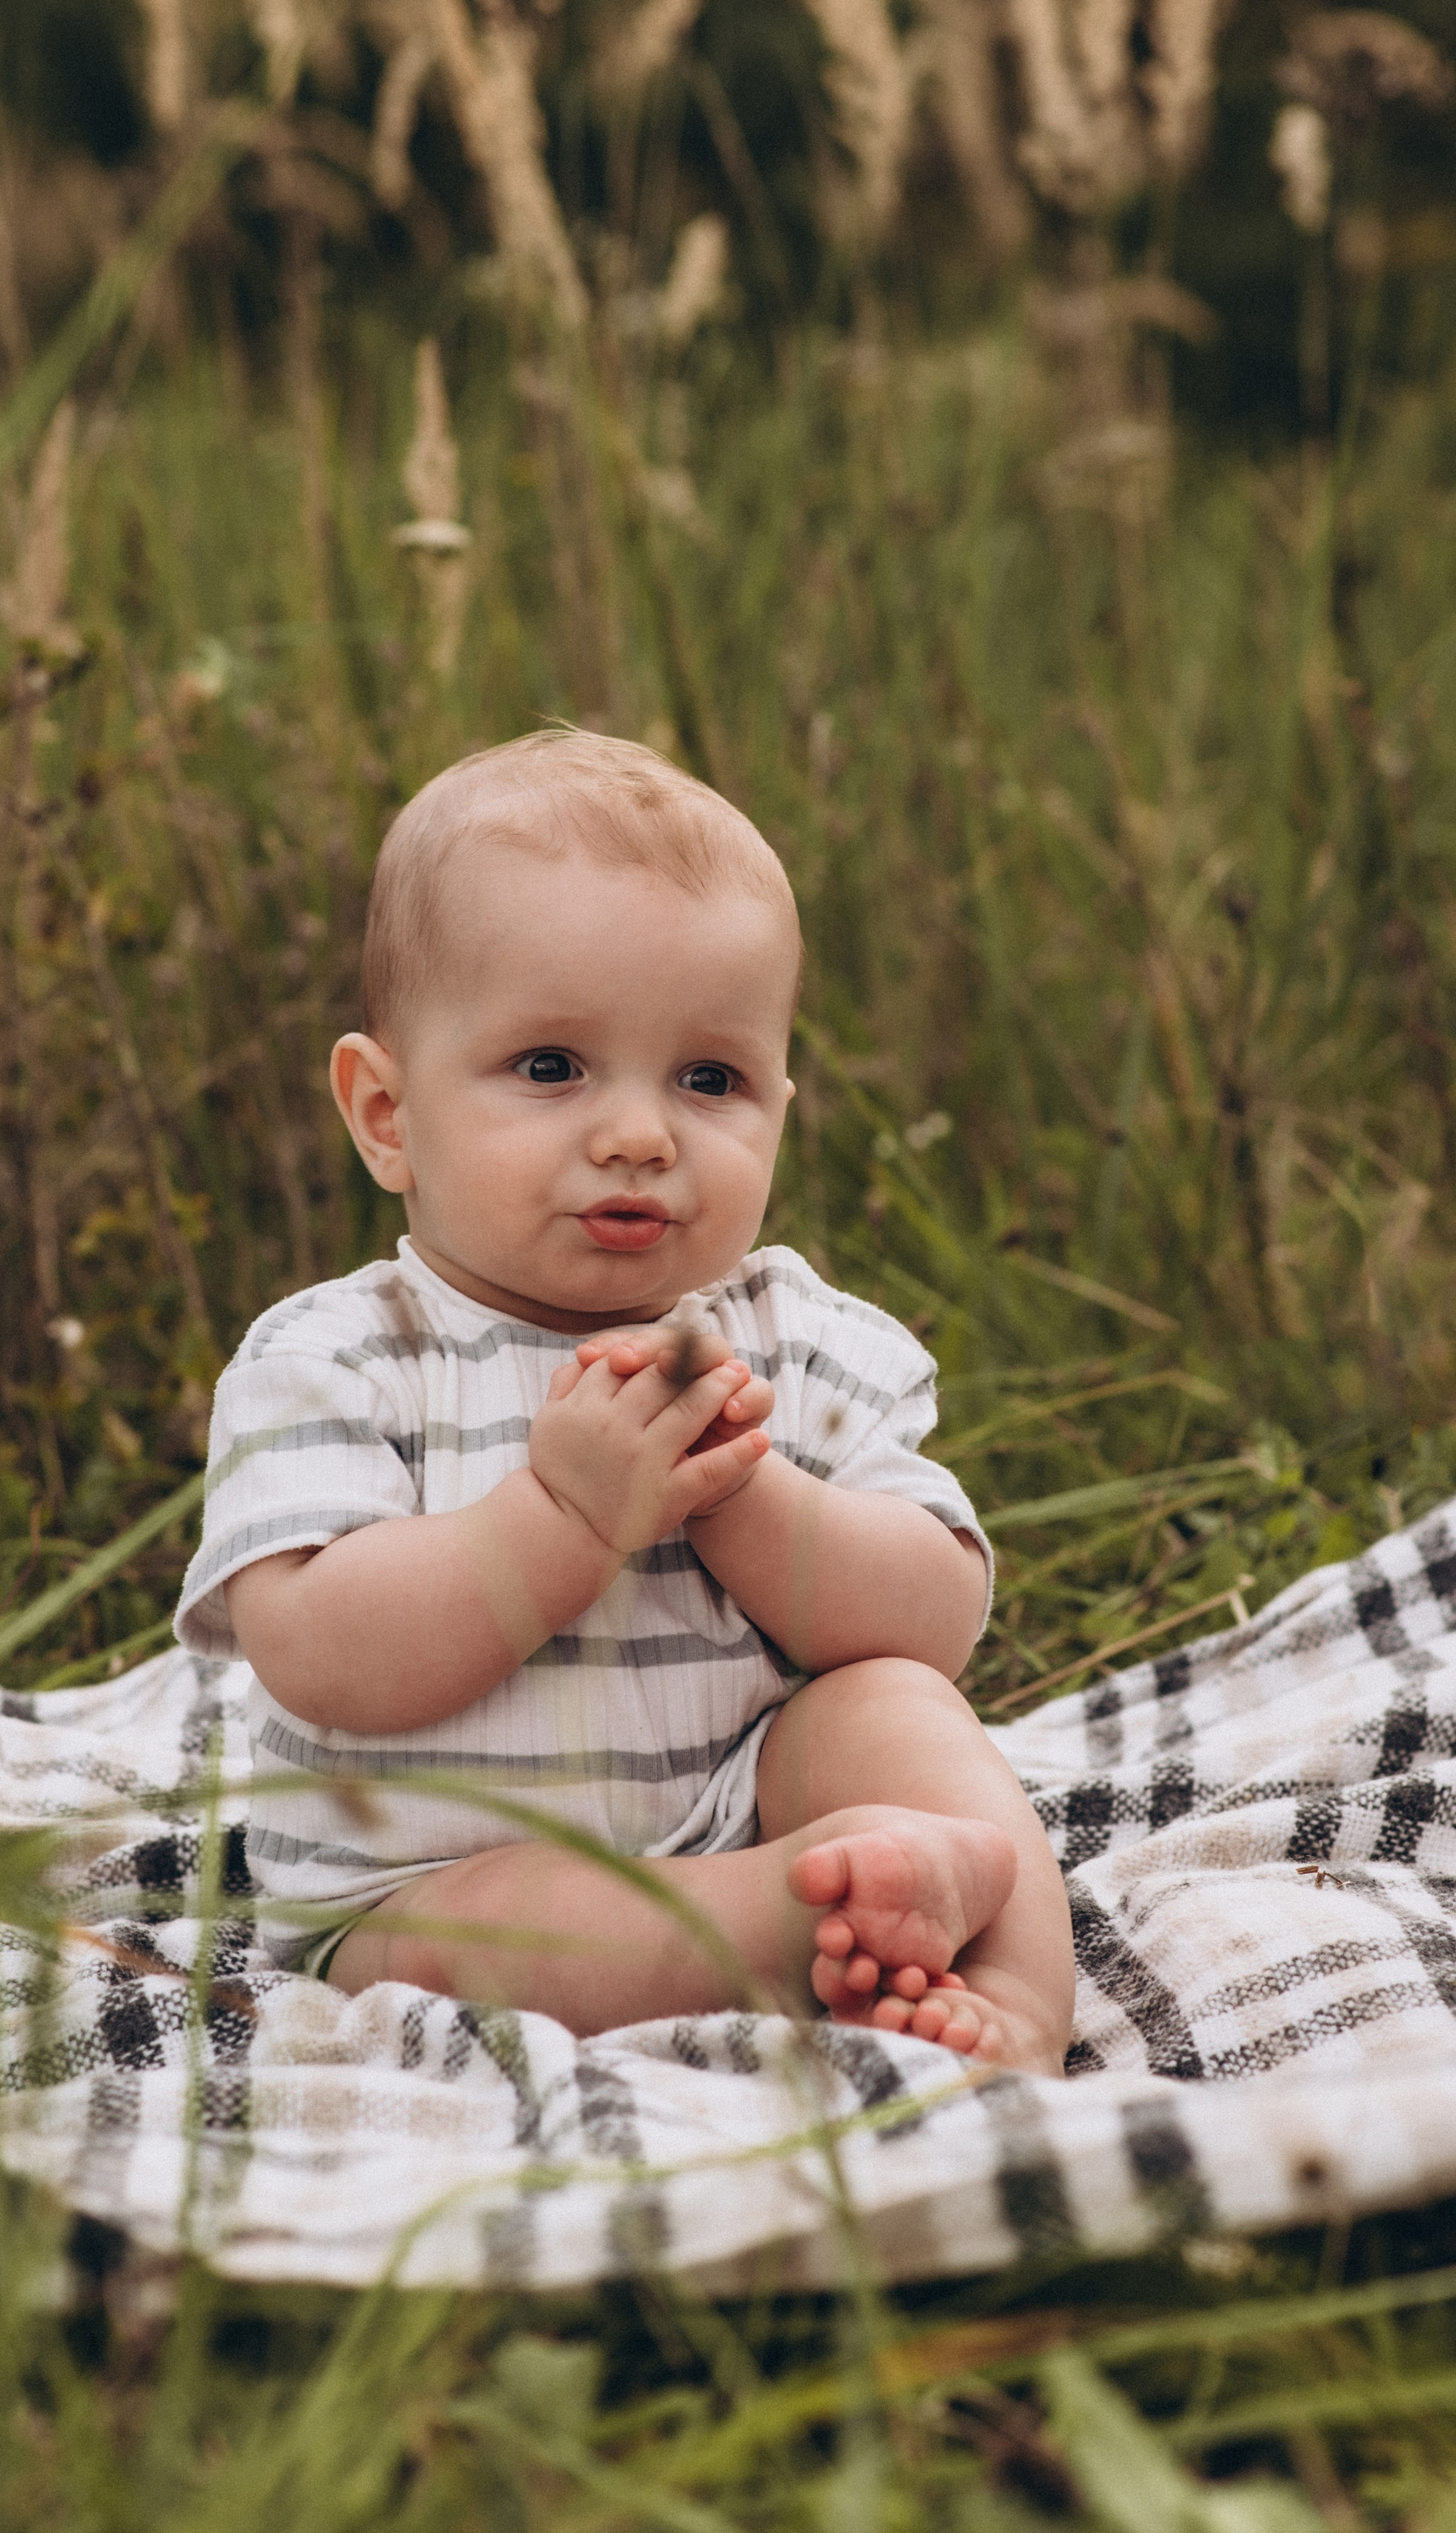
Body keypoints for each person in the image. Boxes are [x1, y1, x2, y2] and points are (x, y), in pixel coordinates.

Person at [174, 731, 1074, 2071]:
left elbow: (933, 1618)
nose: (642, 1135)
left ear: (779, 1103)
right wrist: (562, 1517)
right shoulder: (341, 1355)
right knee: (482, 1927)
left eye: (708, 1079)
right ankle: (802, 1914)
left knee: (886, 1707)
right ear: (386, 1113)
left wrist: (747, 1499)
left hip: (745, 1789)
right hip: (435, 1874)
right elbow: (318, 1651)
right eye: (551, 1066)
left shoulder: (793, 1342)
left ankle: (1009, 2002)